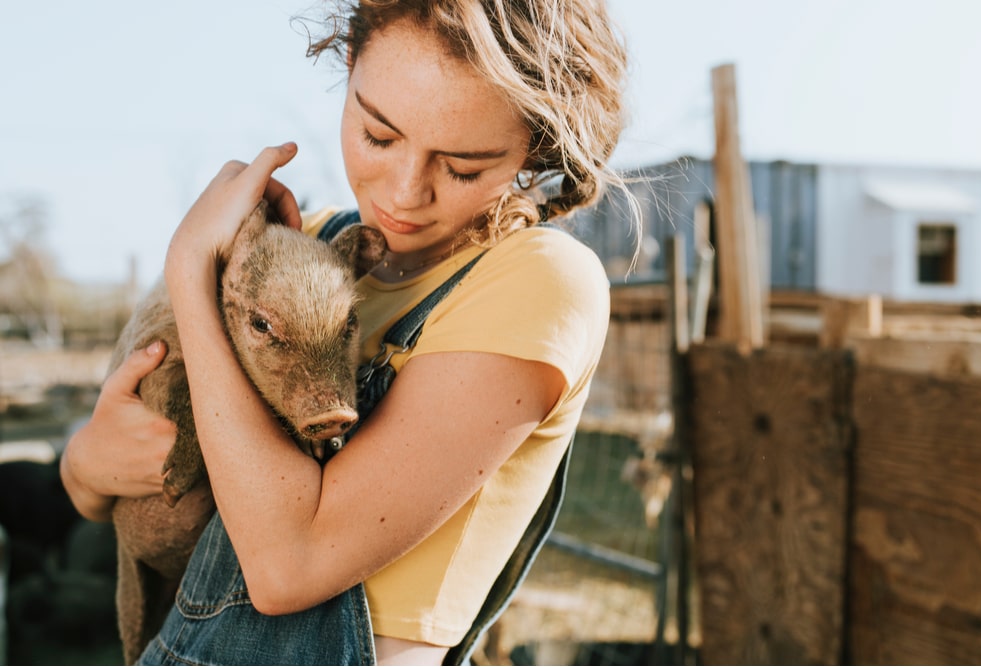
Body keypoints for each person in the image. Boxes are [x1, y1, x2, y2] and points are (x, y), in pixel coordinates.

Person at [59, 0, 636, 664]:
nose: (403, 191)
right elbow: (95, 492)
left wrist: (192, 270)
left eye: (462, 167)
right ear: (349, 64)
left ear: (535, 144)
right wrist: (88, 459)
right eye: (378, 136)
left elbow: (286, 565)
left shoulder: (538, 280)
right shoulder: (313, 245)